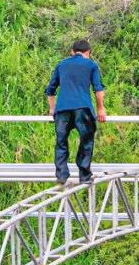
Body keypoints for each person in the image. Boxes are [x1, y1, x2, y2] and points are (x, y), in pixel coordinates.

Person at [45, 39, 106, 185]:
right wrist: (100, 109)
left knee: (61, 142)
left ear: (72, 52)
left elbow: (50, 90)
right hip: (82, 109)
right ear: (88, 52)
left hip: (62, 110)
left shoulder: (61, 65)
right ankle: (84, 176)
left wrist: (52, 109)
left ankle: (61, 174)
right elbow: (98, 90)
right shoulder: (91, 65)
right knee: (86, 141)